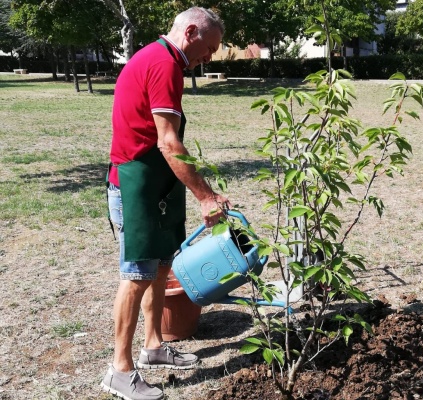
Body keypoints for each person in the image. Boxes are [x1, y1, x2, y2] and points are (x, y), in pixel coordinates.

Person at [102, 7, 230, 400]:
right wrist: (206, 197)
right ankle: (119, 372)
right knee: (137, 274)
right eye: (209, 48)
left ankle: (153, 346)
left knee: (160, 267)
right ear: (190, 32)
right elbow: (168, 142)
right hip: (134, 185)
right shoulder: (164, 64)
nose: (209, 57)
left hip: (153, 182)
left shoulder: (160, 58)